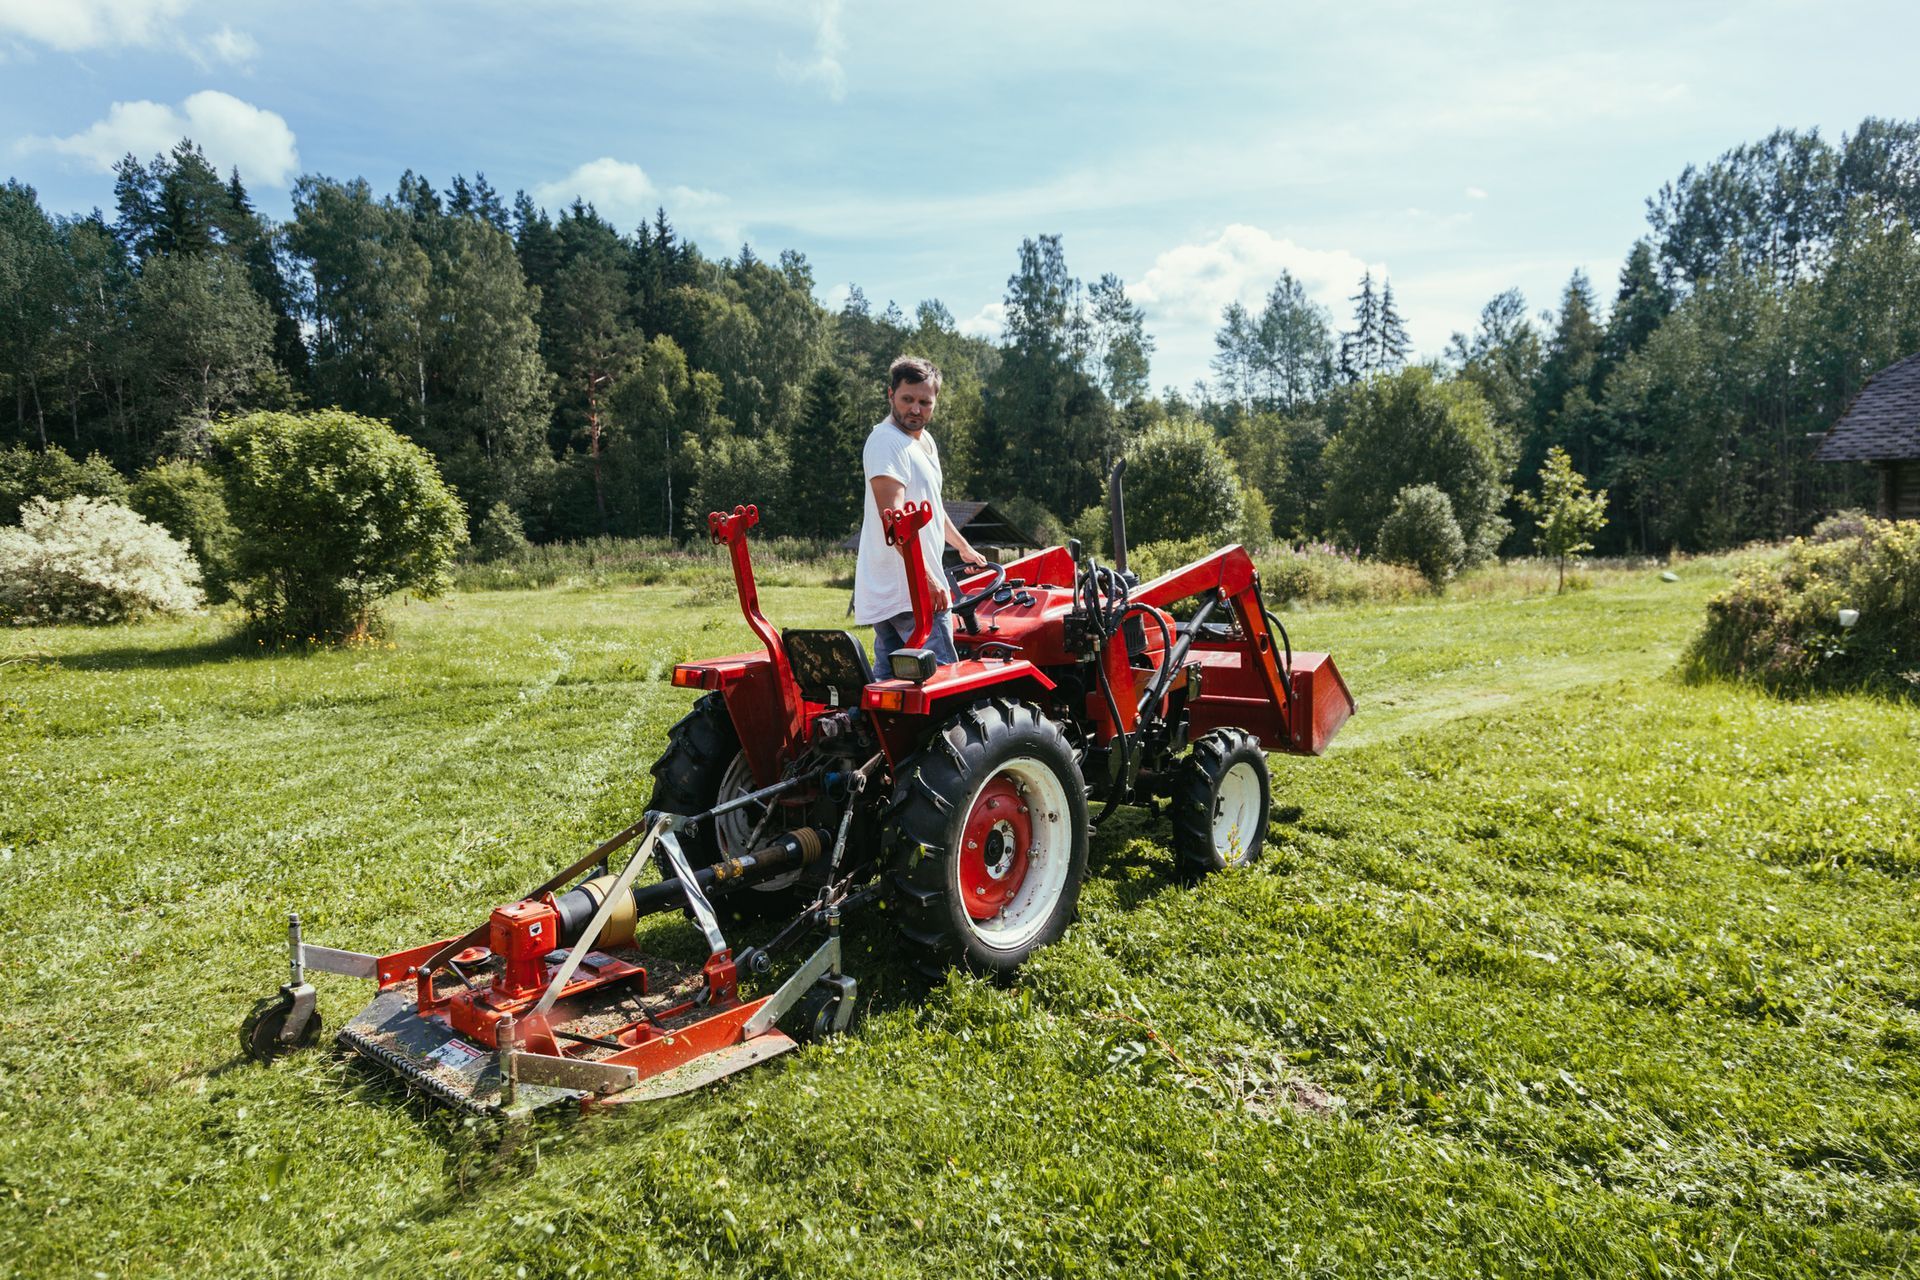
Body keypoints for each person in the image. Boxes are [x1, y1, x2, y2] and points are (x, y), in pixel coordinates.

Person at [855, 356, 984, 674]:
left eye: (924, 402)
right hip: (909, 591)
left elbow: (931, 508)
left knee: (890, 683)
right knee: (941, 682)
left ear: (935, 401)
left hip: (904, 588)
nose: (915, 409)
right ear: (890, 395)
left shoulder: (923, 442)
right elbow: (894, 521)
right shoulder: (887, 442)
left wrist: (963, 547)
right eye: (907, 399)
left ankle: (867, 724)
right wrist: (926, 580)